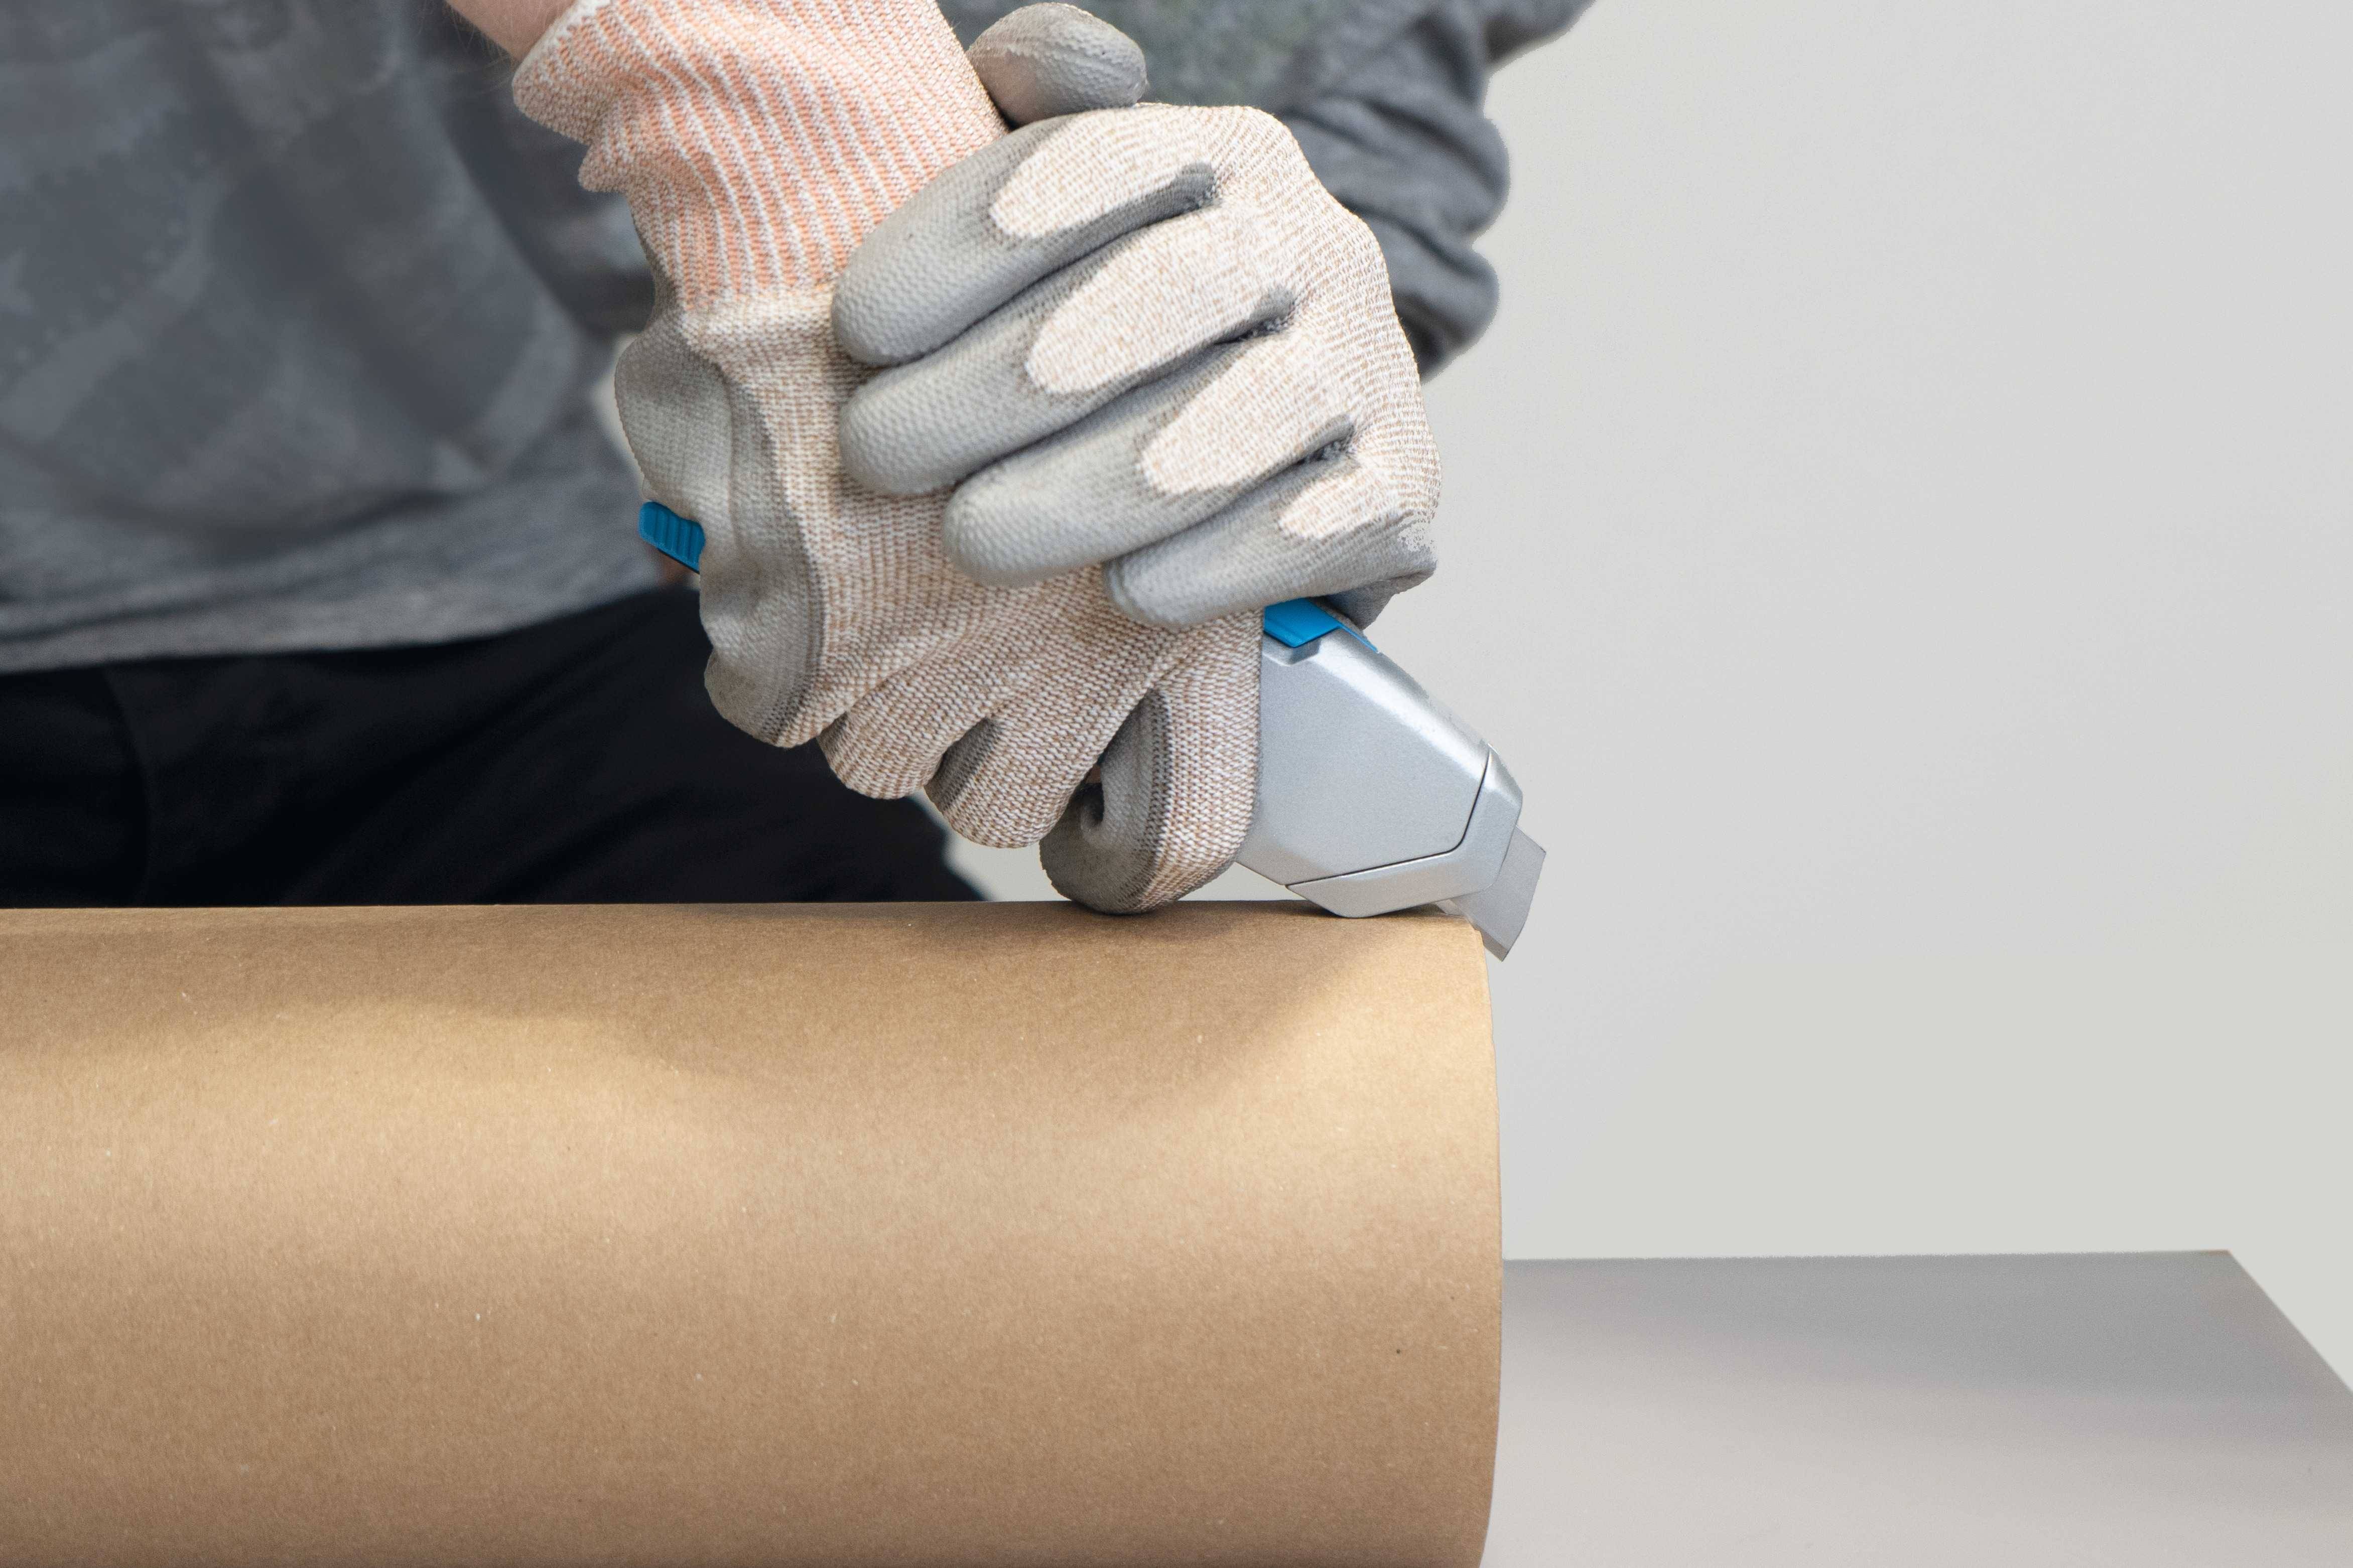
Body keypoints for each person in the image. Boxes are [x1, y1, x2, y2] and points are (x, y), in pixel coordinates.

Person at [0, 0, 1582, 909]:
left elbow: (1296, 83)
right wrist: (755, 64)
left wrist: (1193, 370)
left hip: (504, 604)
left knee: (971, 1272)